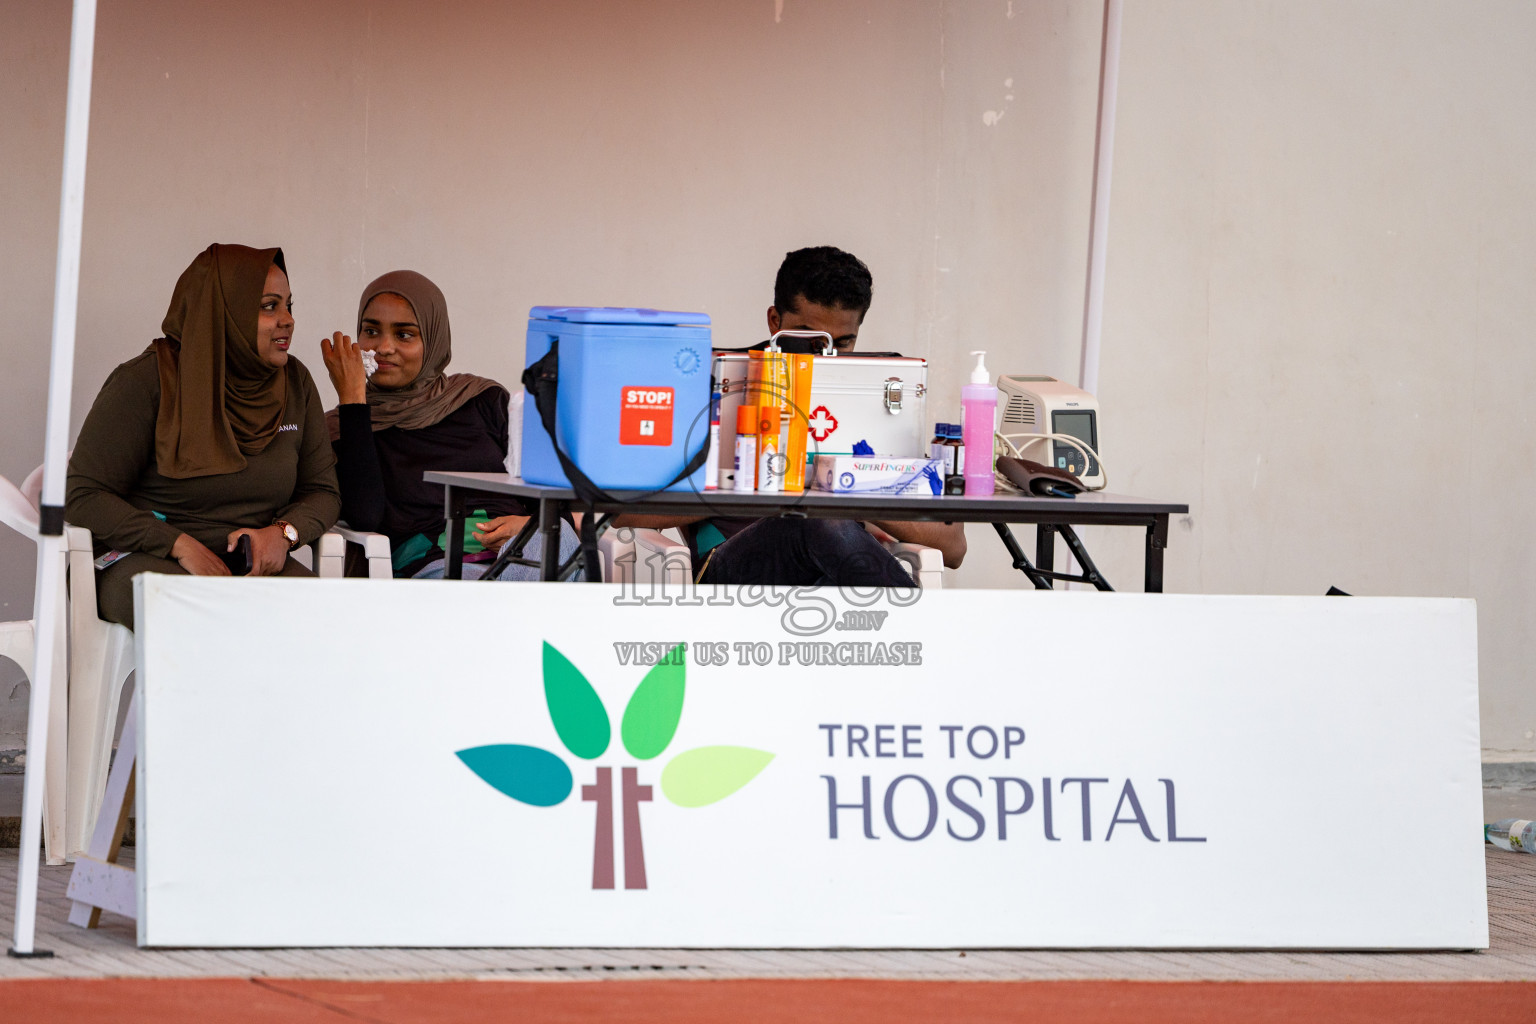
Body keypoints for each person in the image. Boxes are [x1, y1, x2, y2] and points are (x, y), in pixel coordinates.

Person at [622, 246, 965, 585]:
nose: (824, 355)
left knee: (828, 523)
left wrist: (849, 489)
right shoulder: (722, 384)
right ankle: (928, 636)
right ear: (775, 321)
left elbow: (952, 548)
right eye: (809, 338)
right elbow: (625, 511)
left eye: (843, 342)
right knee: (815, 520)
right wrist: (752, 484)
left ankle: (919, 636)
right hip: (732, 572)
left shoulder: (880, 394)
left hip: (838, 574)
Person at [66, 244, 342, 627]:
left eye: (288, 306)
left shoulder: (295, 383)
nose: (287, 320)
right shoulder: (147, 381)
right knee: (210, 625)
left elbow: (323, 491)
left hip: (251, 563)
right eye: (268, 306)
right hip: (146, 558)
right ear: (222, 311)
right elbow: (82, 495)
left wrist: (283, 535)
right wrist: (177, 545)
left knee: (326, 623)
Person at [321, 270, 578, 579]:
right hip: (439, 569)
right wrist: (353, 400)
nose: (384, 347)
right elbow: (365, 516)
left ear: (433, 338)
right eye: (371, 332)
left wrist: (528, 526)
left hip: (524, 550)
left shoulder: (482, 400)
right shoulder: (344, 427)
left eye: (404, 334)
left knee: (554, 537)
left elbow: (550, 486)